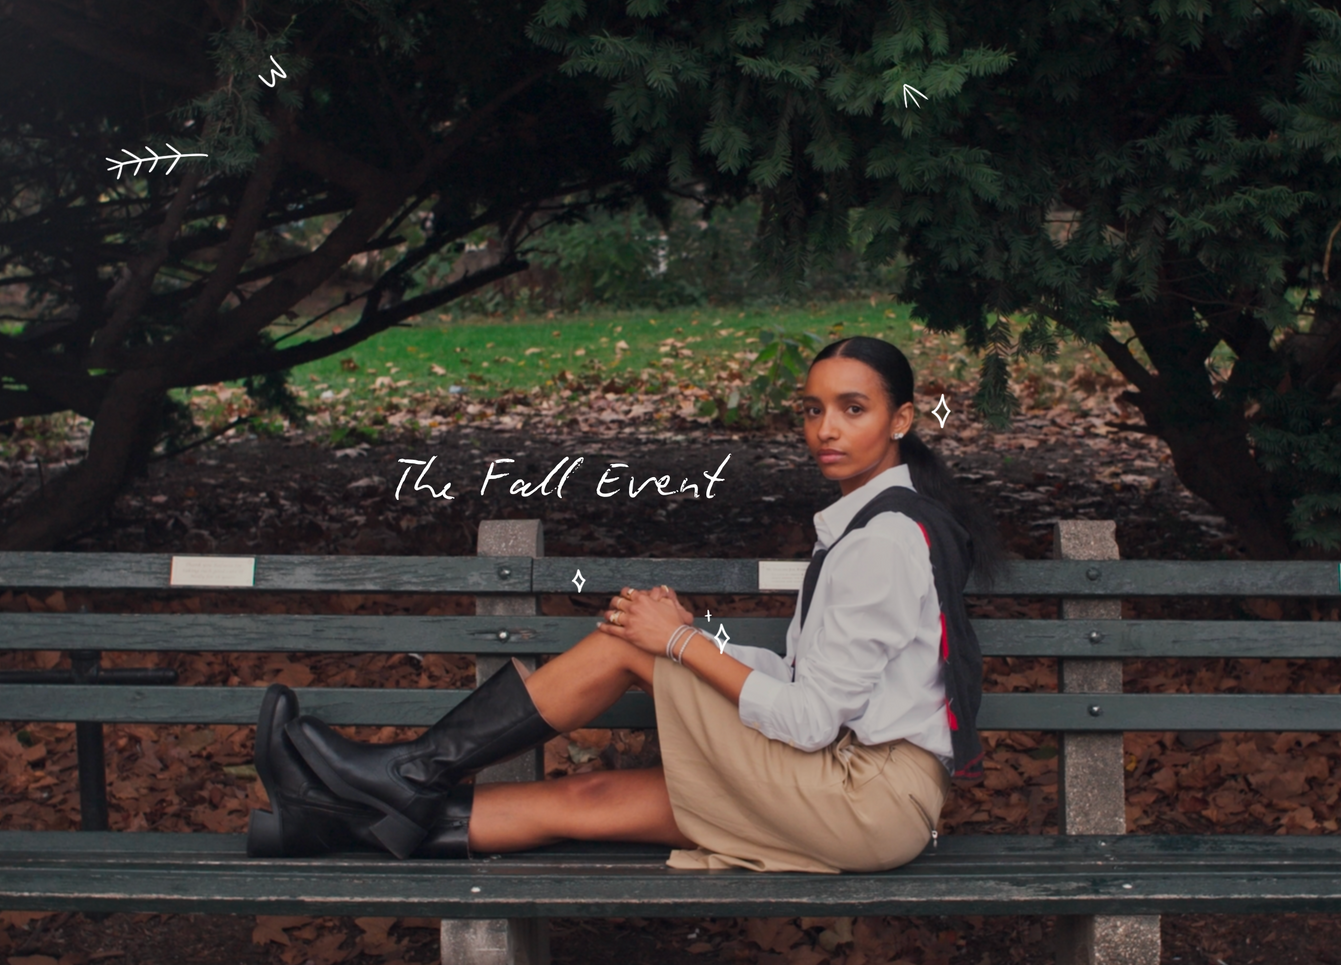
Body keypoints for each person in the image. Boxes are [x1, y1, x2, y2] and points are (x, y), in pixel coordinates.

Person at [249, 336, 1006, 872]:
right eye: (812, 410)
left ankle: (408, 771)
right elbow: (813, 679)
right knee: (591, 795)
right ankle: (329, 824)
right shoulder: (876, 523)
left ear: (902, 419)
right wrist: (688, 636)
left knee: (625, 645)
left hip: (859, 796)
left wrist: (676, 642)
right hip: (857, 792)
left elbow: (810, 721)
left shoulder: (882, 541)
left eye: (852, 408)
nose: (826, 430)